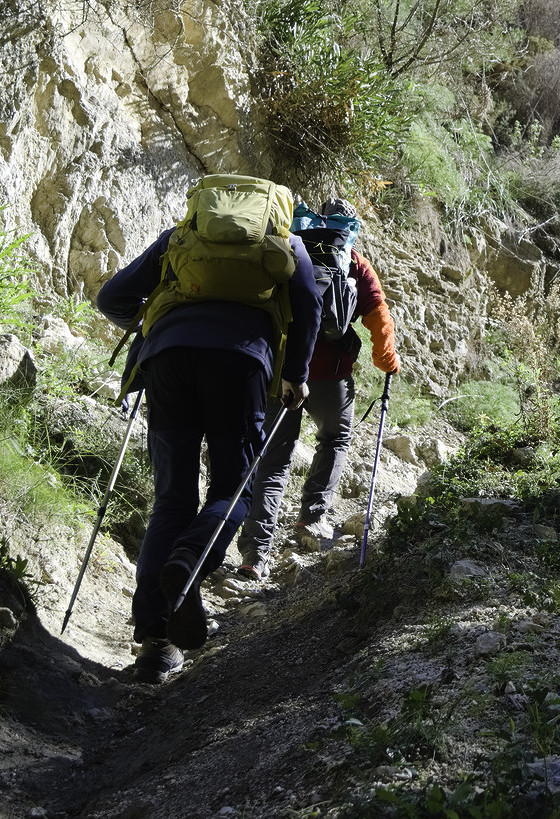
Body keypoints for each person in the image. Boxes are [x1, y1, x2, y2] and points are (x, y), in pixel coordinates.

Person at [96, 176, 319, 683]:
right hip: (241, 366)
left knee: (172, 499)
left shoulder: (180, 239)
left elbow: (111, 299)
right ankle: (192, 561)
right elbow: (309, 305)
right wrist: (296, 376)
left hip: (168, 358)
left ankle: (156, 643)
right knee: (232, 490)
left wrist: (156, 321)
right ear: (275, 209)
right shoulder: (289, 244)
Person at [234, 199, 400, 576]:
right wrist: (386, 360)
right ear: (347, 228)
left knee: (274, 459)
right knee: (336, 438)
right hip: (330, 374)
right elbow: (378, 315)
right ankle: (312, 517)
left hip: (281, 370)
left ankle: (254, 554)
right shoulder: (352, 261)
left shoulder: (288, 247)